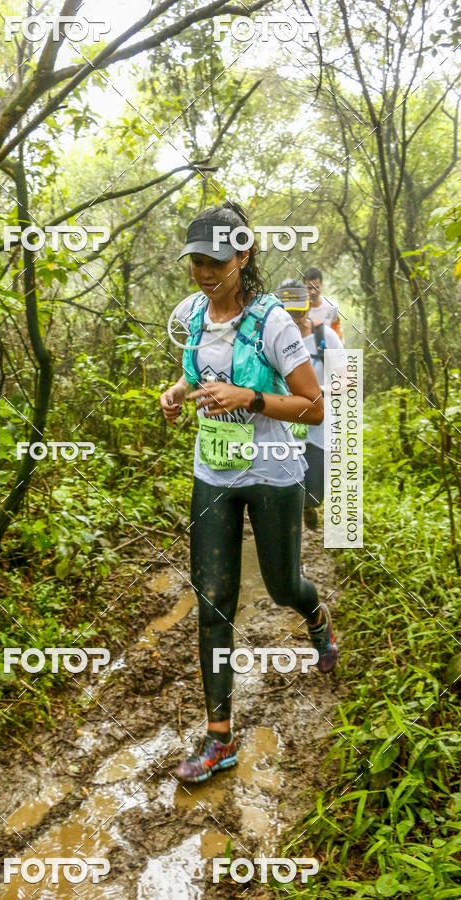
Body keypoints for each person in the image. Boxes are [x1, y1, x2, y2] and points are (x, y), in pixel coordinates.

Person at [159, 202, 339, 785]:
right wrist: (177, 391)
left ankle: (314, 614)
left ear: (243, 256)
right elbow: (199, 371)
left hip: (273, 472)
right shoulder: (190, 313)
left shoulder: (273, 323)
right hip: (213, 473)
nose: (205, 272)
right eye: (195, 262)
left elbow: (313, 408)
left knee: (284, 582)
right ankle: (219, 739)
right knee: (213, 601)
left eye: (216, 260)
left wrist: (251, 399)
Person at [276, 279, 345, 530]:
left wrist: (325, 391)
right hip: (283, 427)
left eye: (298, 310)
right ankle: (292, 542)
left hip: (318, 428)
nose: (294, 318)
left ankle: (308, 505)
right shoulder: (273, 337)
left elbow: (346, 376)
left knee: (314, 490)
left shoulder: (323, 336)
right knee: (286, 493)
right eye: (288, 311)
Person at [303, 266, 343, 341]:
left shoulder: (332, 306)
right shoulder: (298, 309)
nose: (313, 292)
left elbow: (336, 330)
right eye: (309, 288)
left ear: (322, 285)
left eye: (316, 287)